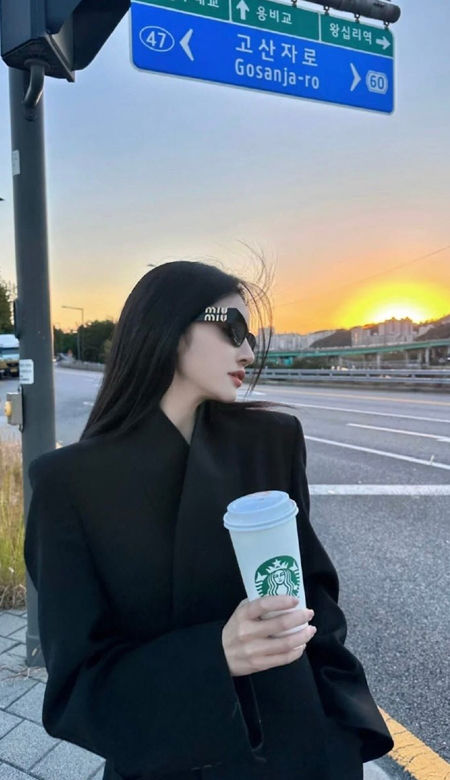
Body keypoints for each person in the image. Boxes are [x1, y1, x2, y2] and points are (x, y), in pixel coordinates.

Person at [24, 259, 394, 780]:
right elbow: (77, 686)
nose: (248, 352)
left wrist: (342, 731)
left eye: (252, 337)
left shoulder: (272, 442)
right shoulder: (68, 484)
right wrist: (214, 656)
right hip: (169, 763)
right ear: (170, 327)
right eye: (234, 329)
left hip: (302, 750)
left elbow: (316, 595)